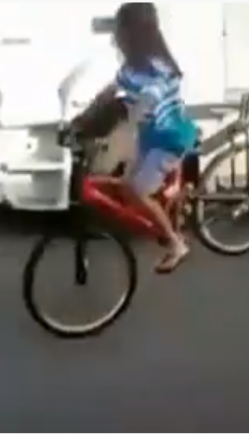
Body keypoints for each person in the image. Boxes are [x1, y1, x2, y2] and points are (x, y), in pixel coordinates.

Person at [71, 3, 198, 273]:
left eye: (120, 32)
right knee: (128, 185)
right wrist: (81, 119)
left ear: (136, 34)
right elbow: (111, 91)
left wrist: (114, 127)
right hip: (150, 136)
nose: (116, 38)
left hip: (169, 139)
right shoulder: (131, 66)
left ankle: (176, 244)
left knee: (136, 190)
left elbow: (143, 105)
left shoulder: (159, 70)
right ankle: (171, 202)